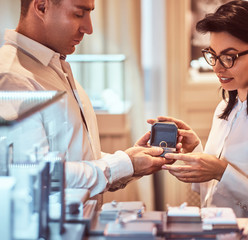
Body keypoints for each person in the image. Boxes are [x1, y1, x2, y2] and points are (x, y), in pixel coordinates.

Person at [149, 0, 248, 218]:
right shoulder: (224, 108)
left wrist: (221, 171)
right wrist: (196, 153)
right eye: (213, 55)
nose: (217, 67)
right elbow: (213, 195)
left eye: (229, 57)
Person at [0, 0, 173, 203]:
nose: (88, 29)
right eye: (78, 14)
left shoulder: (54, 65)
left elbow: (75, 156)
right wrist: (125, 164)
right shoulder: (12, 77)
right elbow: (38, 176)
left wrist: (131, 161)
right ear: (41, 7)